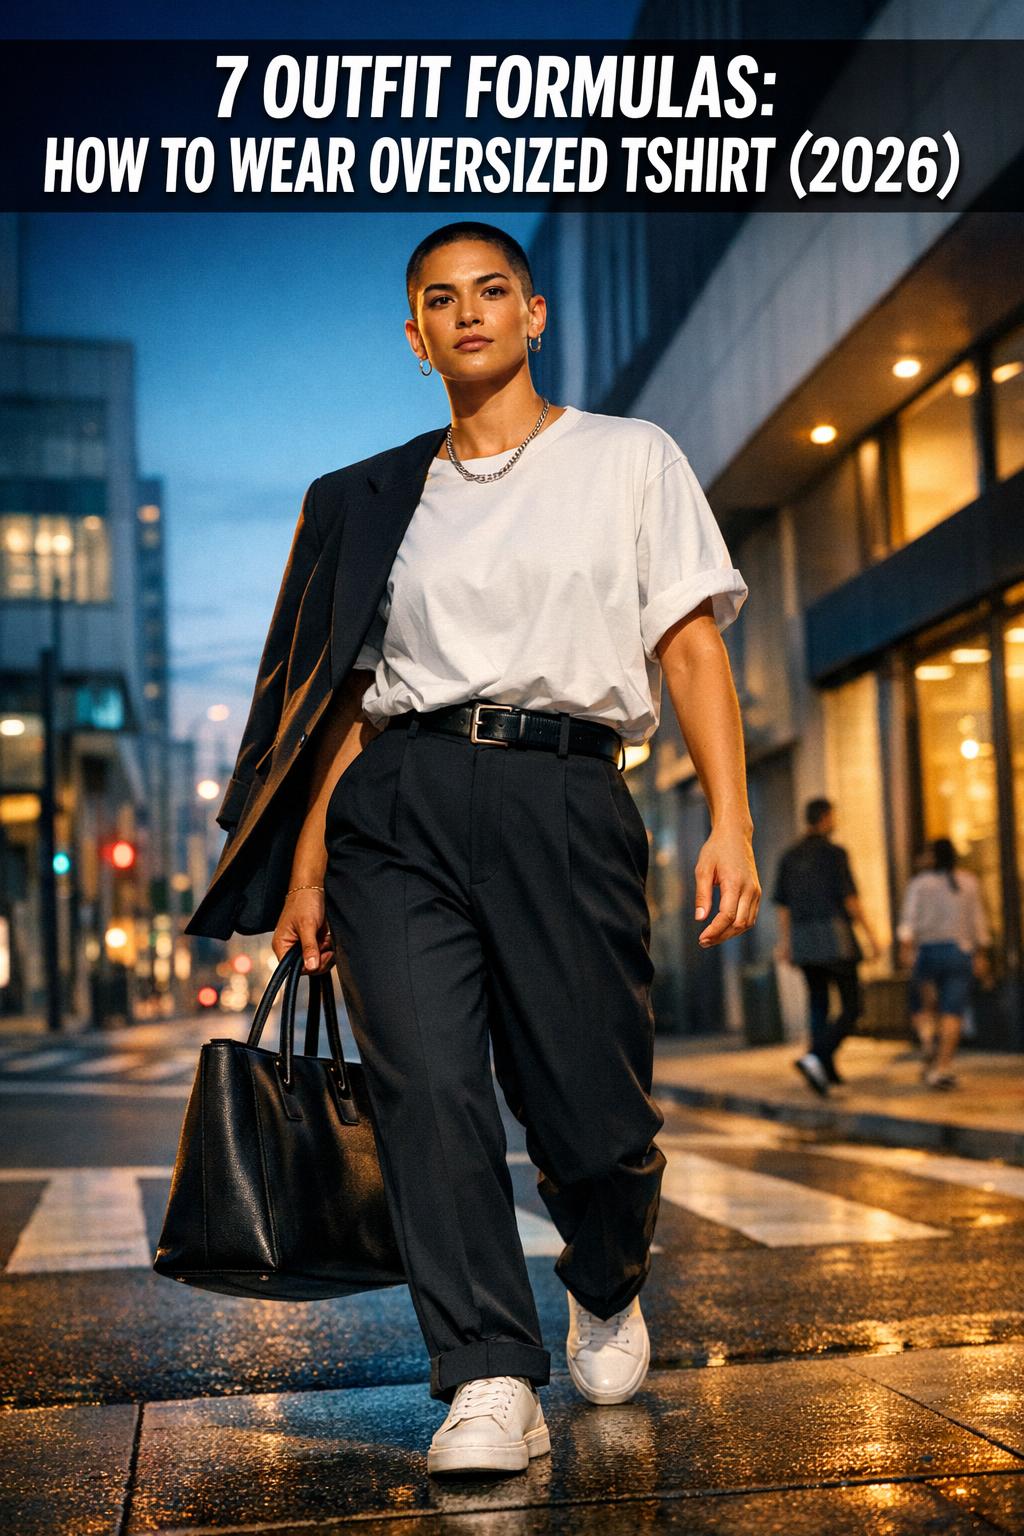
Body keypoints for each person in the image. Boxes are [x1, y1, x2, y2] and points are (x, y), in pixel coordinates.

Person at [266, 221, 758, 1477]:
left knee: (590, 1114)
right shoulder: (377, 498)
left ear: (533, 315)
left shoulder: (627, 458)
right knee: (428, 1089)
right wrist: (310, 869)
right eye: (442, 299)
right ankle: (485, 1373)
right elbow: (345, 701)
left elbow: (691, 648)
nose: (469, 312)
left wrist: (732, 819)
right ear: (415, 334)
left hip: (565, 791)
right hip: (401, 806)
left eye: (493, 291)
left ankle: (604, 1277)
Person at [772, 797, 880, 1095]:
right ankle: (816, 1057)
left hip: (804, 940)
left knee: (818, 1003)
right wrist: (872, 936)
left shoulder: (789, 856)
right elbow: (850, 899)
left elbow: (783, 907)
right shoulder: (835, 854)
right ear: (825, 818)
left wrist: (787, 943)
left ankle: (824, 1069)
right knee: (853, 1006)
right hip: (835, 936)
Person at [897, 836, 992, 1089]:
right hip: (959, 951)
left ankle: (928, 1043)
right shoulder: (969, 882)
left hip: (926, 951)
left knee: (924, 1004)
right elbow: (979, 923)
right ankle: (942, 1067)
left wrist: (906, 949)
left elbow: (908, 923)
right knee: (953, 1010)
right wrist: (980, 954)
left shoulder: (919, 884)